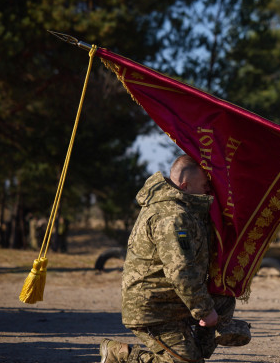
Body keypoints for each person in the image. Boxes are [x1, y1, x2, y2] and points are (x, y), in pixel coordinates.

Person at [100, 155, 250, 363]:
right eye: (206, 185)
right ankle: (119, 354)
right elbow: (181, 271)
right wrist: (205, 311)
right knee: (187, 362)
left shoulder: (187, 211)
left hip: (172, 299)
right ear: (185, 185)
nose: (210, 190)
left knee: (223, 298)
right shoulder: (173, 217)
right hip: (153, 307)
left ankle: (192, 347)